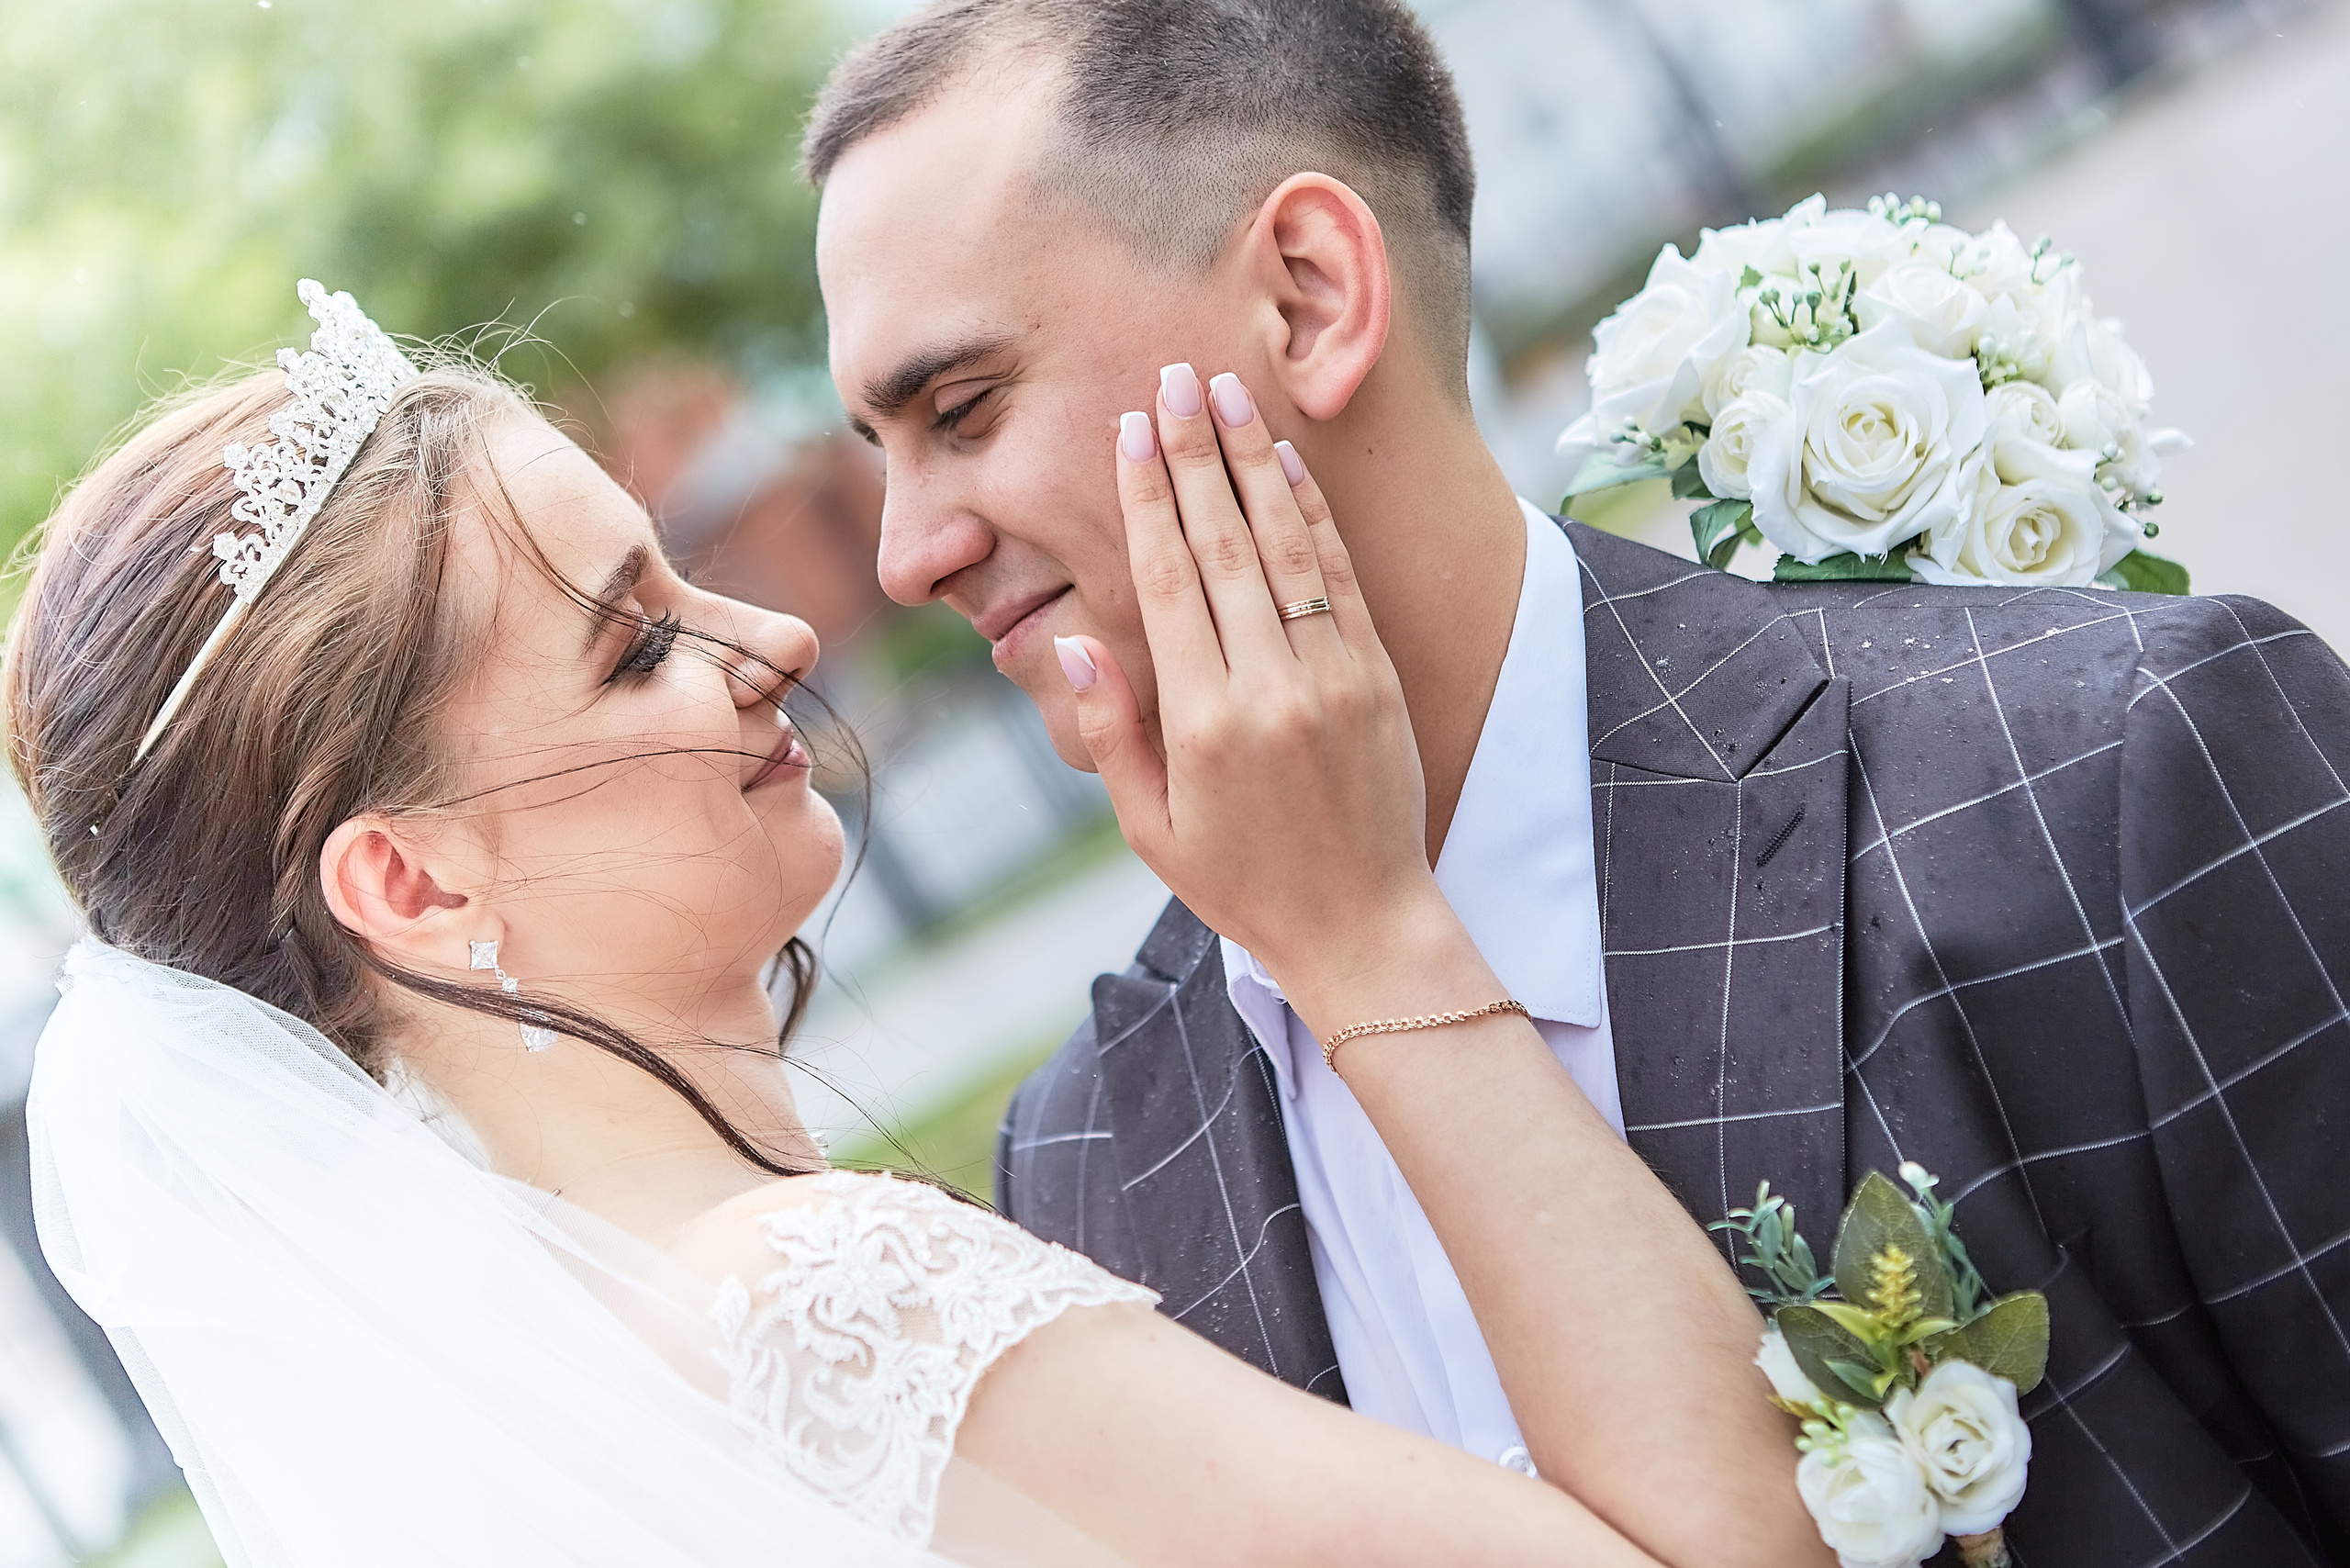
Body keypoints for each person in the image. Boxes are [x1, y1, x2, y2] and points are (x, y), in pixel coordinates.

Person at [802, 2, 2350, 1562]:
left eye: (962, 411)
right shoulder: (1085, 1157)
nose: (906, 552)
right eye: (882, 450)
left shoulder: (2105, 777)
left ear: (1310, 298)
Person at [4, 282, 1825, 1566]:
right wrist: (1358, 931)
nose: (773, 639)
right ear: (408, 879)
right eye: (636, 640)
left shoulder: (542, 1415)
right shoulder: (816, 1306)